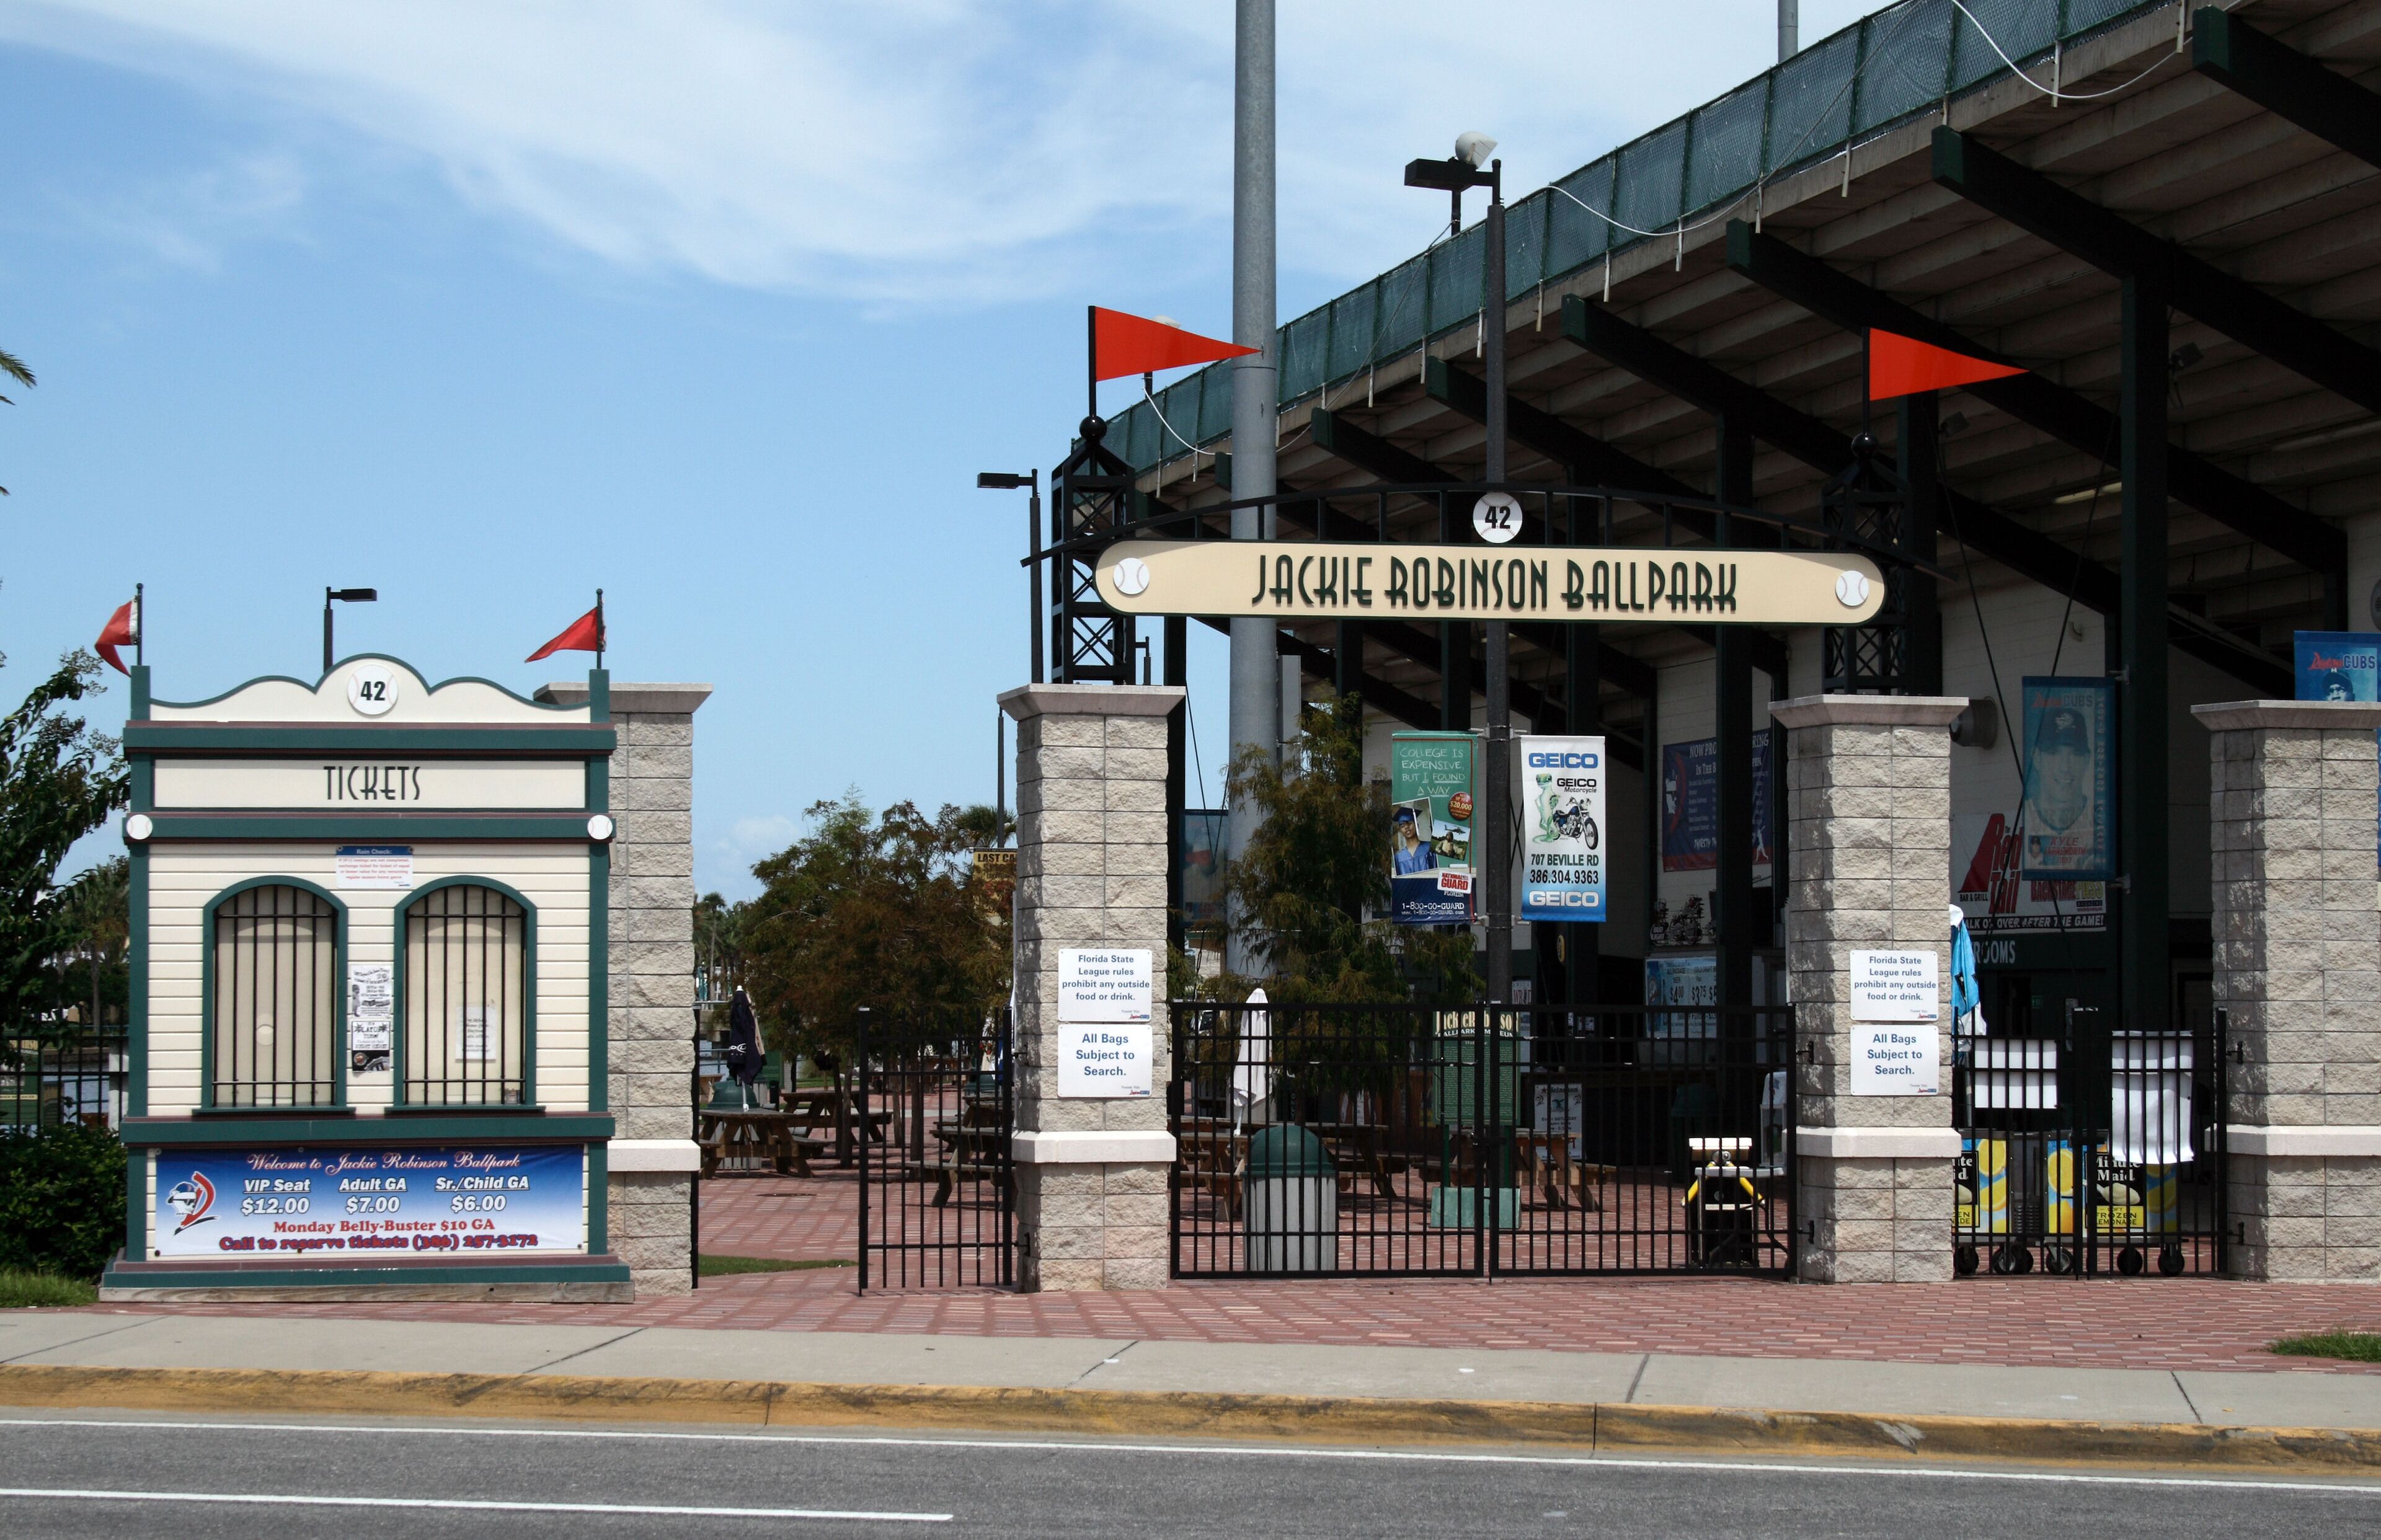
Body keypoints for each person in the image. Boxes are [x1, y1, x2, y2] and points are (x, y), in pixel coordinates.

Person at [2029, 705, 2093, 834]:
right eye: (2054, 753)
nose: (2065, 767)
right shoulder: (2022, 819)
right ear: (2036, 757)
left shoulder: (2104, 819)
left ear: (2087, 759)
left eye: (2075, 754)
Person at [1393, 804, 1435, 875]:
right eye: (1402, 826)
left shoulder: (1430, 848)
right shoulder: (1398, 858)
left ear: (1417, 825)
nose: (1406, 827)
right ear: (1400, 831)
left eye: (1409, 823)